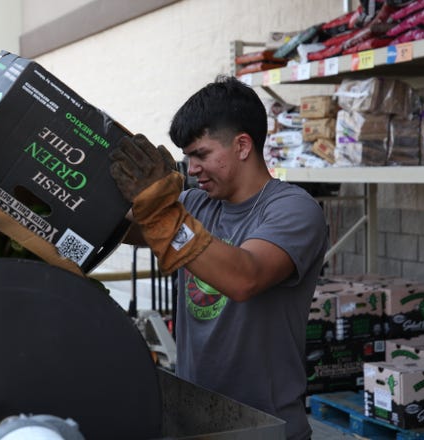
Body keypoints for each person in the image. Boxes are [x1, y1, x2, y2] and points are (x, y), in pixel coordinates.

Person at [109, 75, 328, 440]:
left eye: (201, 154)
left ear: (242, 146)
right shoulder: (196, 205)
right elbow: (124, 227)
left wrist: (161, 214)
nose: (191, 169)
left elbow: (245, 277)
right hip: (198, 417)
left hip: (266, 427)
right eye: (187, 157)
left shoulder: (293, 210)